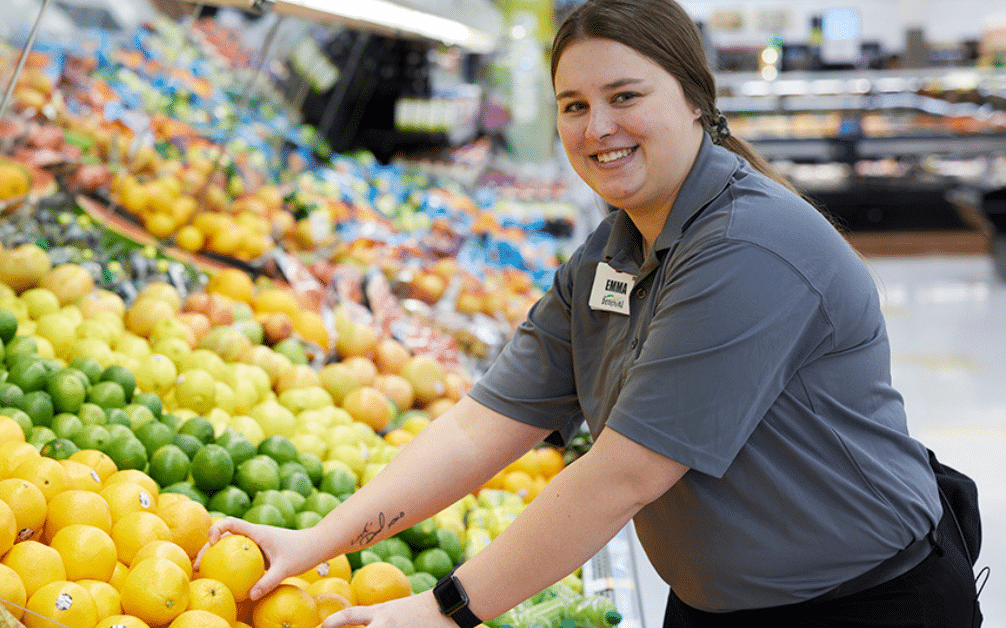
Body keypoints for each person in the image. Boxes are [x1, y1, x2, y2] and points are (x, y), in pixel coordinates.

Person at [207, 0, 984, 626]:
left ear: (695, 99)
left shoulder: (754, 247)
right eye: (574, 105)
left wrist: (444, 610)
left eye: (625, 96)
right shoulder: (612, 252)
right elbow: (481, 426)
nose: (597, 128)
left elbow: (625, 473)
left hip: (868, 603)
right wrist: (317, 541)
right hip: (717, 603)